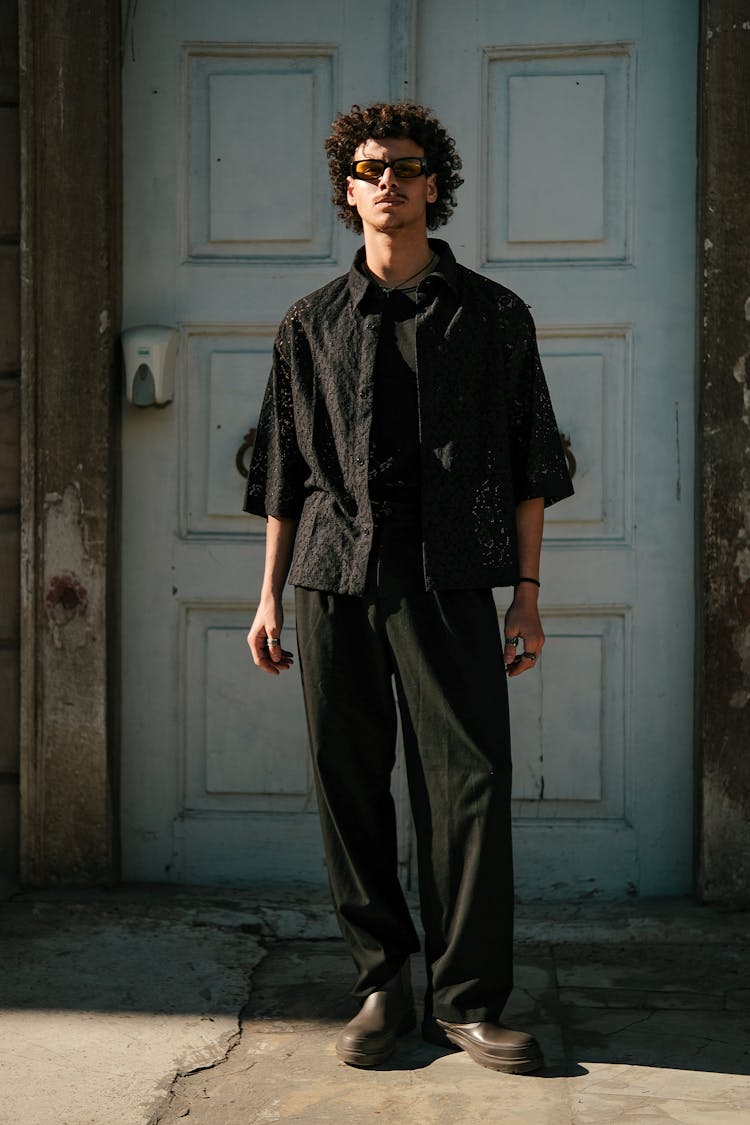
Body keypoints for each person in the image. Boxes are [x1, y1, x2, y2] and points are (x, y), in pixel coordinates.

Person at [244, 102, 573, 1074]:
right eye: (370, 166)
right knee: (351, 787)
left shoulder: (496, 318)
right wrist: (266, 596)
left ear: (436, 184)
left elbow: (530, 467)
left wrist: (528, 594)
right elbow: (282, 479)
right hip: (334, 580)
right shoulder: (309, 325)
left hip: (451, 578)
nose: (389, 179)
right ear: (349, 190)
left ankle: (469, 1002)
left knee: (468, 788)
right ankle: (385, 986)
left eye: (408, 165)